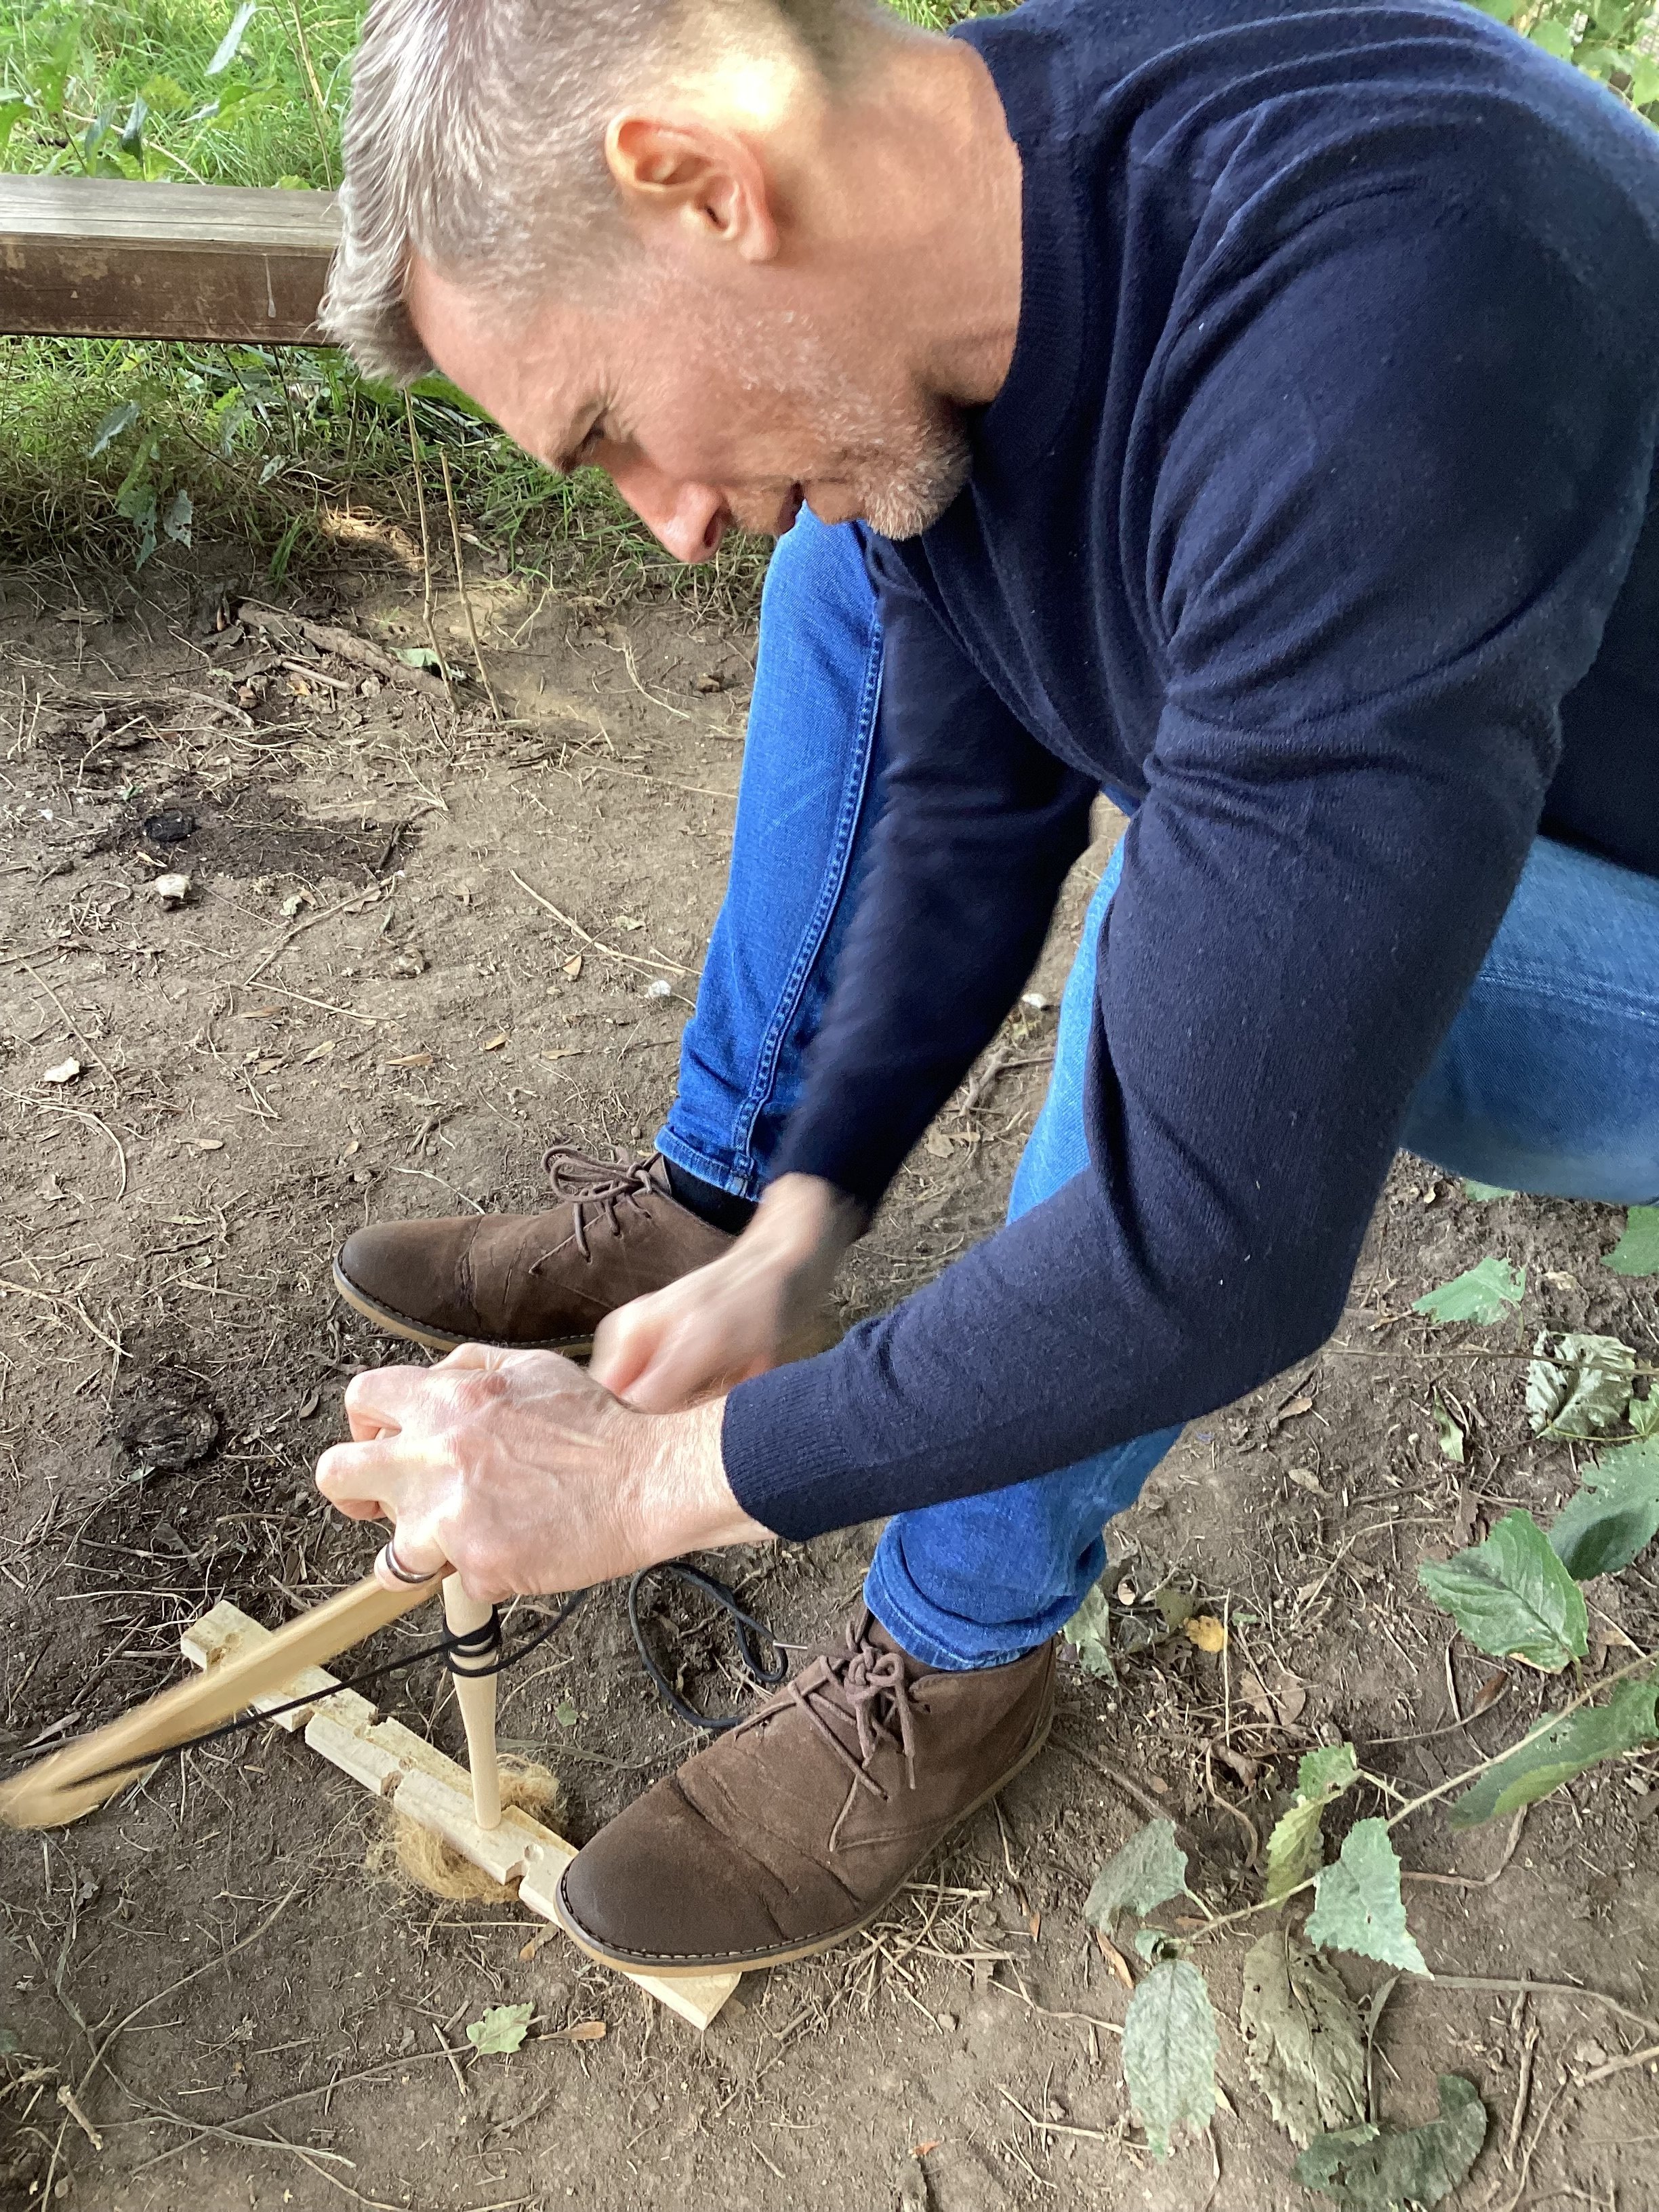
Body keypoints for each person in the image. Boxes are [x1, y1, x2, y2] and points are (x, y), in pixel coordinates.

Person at [314, 0, 1659, 1979]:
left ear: (697, 183)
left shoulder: (1384, 321)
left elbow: (1212, 1247)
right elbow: (971, 790)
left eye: (606, 429)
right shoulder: (965, 210)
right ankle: (719, 1200)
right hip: (1498, 731)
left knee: (1176, 936)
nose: (664, 520)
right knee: (843, 555)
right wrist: (806, 1227)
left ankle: (955, 1648)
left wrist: (654, 1484)